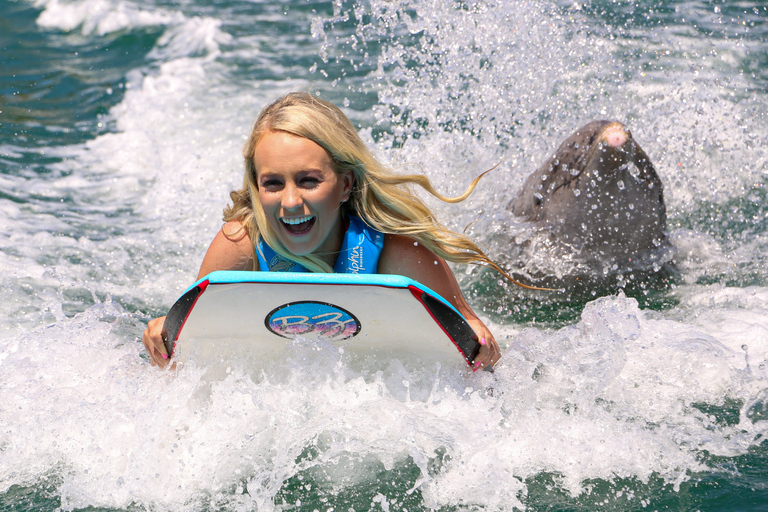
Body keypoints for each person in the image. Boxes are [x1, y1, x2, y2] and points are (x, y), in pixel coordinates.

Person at [143, 92, 519, 371]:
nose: (290, 201)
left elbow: (476, 343)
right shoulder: (241, 244)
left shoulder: (398, 254)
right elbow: (186, 349)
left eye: (309, 180)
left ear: (345, 184)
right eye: (273, 183)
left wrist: (483, 348)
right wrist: (161, 339)